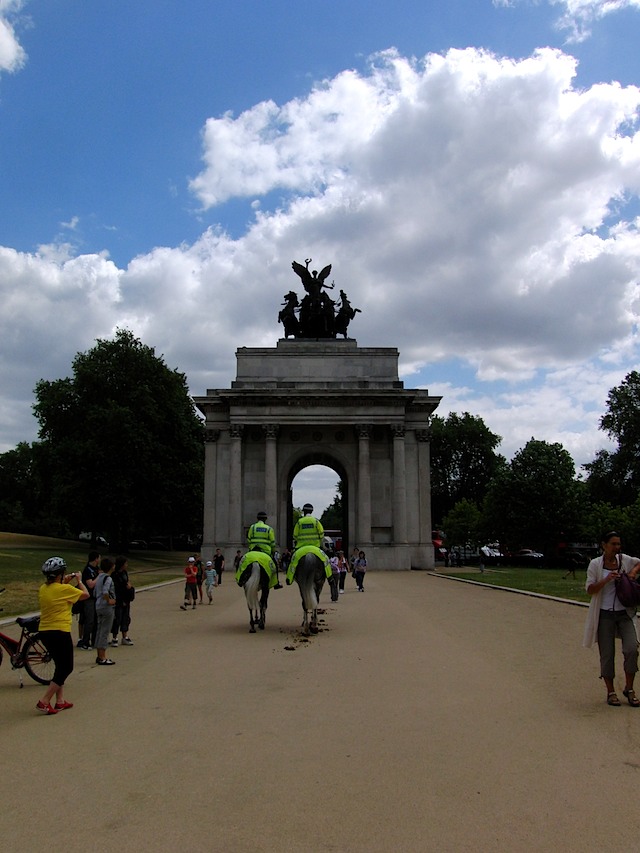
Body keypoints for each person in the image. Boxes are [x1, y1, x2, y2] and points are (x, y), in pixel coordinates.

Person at [583, 531, 640, 707]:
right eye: (613, 544)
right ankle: (610, 691)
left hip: (624, 613)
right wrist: (607, 579)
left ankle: (629, 689)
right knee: (607, 655)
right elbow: (590, 589)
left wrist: (632, 573)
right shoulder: (595, 564)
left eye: (618, 544)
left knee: (632, 649)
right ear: (604, 545)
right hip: (604, 614)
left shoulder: (624, 560)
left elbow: (639, 563)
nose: (617, 547)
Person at [36, 557, 89, 714]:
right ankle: (45, 700)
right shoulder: (64, 590)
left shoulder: (43, 589)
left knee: (59, 665)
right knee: (66, 667)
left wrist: (64, 582)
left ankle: (59, 700)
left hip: (45, 631)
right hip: (59, 631)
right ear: (61, 574)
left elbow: (58, 593)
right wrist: (79, 580)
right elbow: (85, 594)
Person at [287, 503, 332, 585]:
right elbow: (322, 534)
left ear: (304, 511)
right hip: (315, 548)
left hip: (301, 549)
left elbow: (295, 536)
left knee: (292, 562)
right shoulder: (316, 521)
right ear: (312, 511)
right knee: (326, 561)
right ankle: (330, 579)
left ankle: (289, 579)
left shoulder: (299, 522)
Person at [246, 512, 282, 588]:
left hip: (253, 550)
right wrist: (273, 550)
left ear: (257, 518)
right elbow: (272, 542)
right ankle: (276, 583)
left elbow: (249, 539)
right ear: (265, 519)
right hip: (265, 551)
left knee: (243, 563)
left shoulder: (252, 527)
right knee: (274, 565)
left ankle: (240, 580)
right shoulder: (269, 529)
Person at [94, 557, 117, 666]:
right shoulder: (108, 578)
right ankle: (103, 656)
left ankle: (99, 654)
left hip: (98, 606)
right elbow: (105, 591)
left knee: (99, 630)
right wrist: (109, 600)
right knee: (105, 631)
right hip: (106, 607)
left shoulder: (99, 577)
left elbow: (95, 592)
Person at [77, 550, 100, 650]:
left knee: (96, 620)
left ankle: (95, 640)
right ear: (96, 559)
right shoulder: (87, 570)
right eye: (99, 558)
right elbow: (90, 584)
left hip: (96, 597)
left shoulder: (96, 569)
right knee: (89, 620)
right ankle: (85, 641)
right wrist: (99, 576)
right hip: (89, 598)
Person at [110, 556, 134, 646]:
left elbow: (127, 583)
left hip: (126, 599)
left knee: (125, 618)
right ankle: (114, 637)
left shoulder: (125, 573)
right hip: (118, 599)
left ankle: (125, 636)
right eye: (125, 564)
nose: (126, 565)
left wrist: (129, 588)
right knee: (117, 619)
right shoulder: (114, 575)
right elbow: (115, 589)